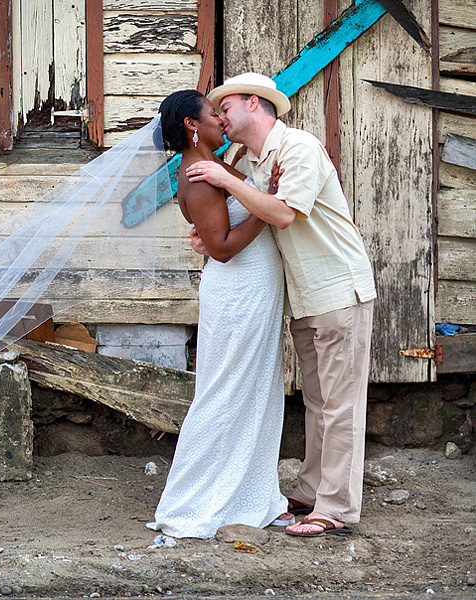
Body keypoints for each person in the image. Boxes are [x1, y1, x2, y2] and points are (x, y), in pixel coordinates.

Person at [186, 72, 376, 538]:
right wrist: (209, 235)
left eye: (225, 108)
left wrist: (225, 184)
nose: (221, 119)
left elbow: (284, 214)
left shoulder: (299, 149)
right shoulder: (250, 161)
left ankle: (336, 509)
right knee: (316, 401)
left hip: (337, 291)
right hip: (306, 297)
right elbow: (251, 219)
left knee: (340, 404)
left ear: (253, 104)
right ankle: (312, 491)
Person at [146, 89, 293, 539]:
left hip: (256, 291)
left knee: (257, 393)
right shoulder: (198, 177)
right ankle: (190, 504)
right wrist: (268, 205)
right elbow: (223, 249)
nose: (220, 121)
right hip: (236, 294)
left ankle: (254, 498)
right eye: (213, 114)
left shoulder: (218, 166)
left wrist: (253, 193)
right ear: (192, 125)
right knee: (225, 393)